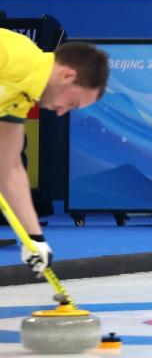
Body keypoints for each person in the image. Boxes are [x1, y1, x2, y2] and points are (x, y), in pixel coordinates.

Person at [0, 29, 109, 277]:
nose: (61, 112)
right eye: (72, 103)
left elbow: (9, 169)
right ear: (67, 75)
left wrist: (34, 237)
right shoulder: (14, 54)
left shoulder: (21, 97)